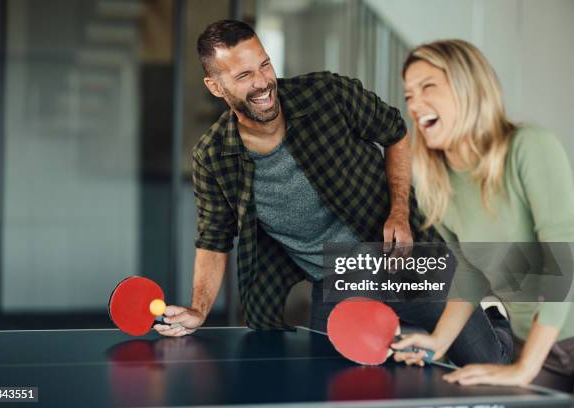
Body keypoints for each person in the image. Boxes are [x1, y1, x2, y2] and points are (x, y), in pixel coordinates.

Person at [155, 20, 511, 366]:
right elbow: (214, 239)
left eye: (264, 65)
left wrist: (399, 212)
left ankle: (493, 317)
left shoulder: (328, 94)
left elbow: (395, 132)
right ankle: (405, 328)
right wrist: (199, 309)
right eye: (243, 75)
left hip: (409, 260)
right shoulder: (213, 156)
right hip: (339, 281)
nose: (263, 82)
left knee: (486, 362)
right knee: (332, 381)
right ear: (215, 87)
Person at [392, 39, 574, 392]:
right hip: (536, 345)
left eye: (428, 86)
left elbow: (564, 256)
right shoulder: (438, 182)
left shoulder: (529, 146)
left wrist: (525, 368)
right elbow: (472, 270)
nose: (414, 104)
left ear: (468, 88)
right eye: (409, 94)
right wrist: (440, 341)